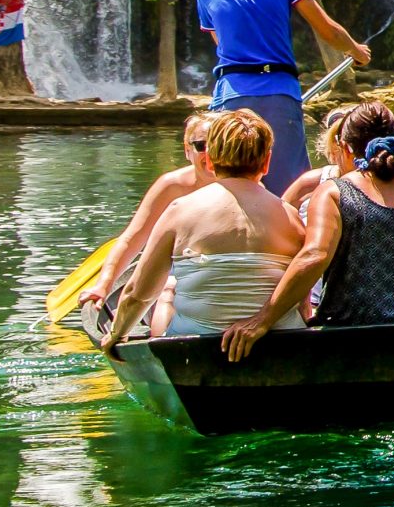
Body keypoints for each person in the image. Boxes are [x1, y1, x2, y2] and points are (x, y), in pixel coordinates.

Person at [217, 101, 394, 361]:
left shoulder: (334, 192)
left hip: (351, 333)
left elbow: (314, 257)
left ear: (346, 148)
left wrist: (262, 319)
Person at [197, 0, 370, 196]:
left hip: (229, 95)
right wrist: (356, 50)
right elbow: (326, 29)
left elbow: (222, 46)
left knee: (231, 182)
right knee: (290, 189)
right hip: (276, 91)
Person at [98, 111, 306, 346]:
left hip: (194, 347)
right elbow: (303, 300)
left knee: (169, 291)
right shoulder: (292, 217)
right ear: (267, 163)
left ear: (209, 160)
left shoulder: (180, 210)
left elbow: (138, 294)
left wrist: (117, 335)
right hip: (282, 344)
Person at [79, 111, 217, 315]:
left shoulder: (247, 184)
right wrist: (104, 285)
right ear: (187, 150)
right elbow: (133, 238)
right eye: (201, 146)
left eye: (219, 146)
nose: (211, 154)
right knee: (168, 290)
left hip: (224, 271)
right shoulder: (171, 186)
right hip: (179, 271)